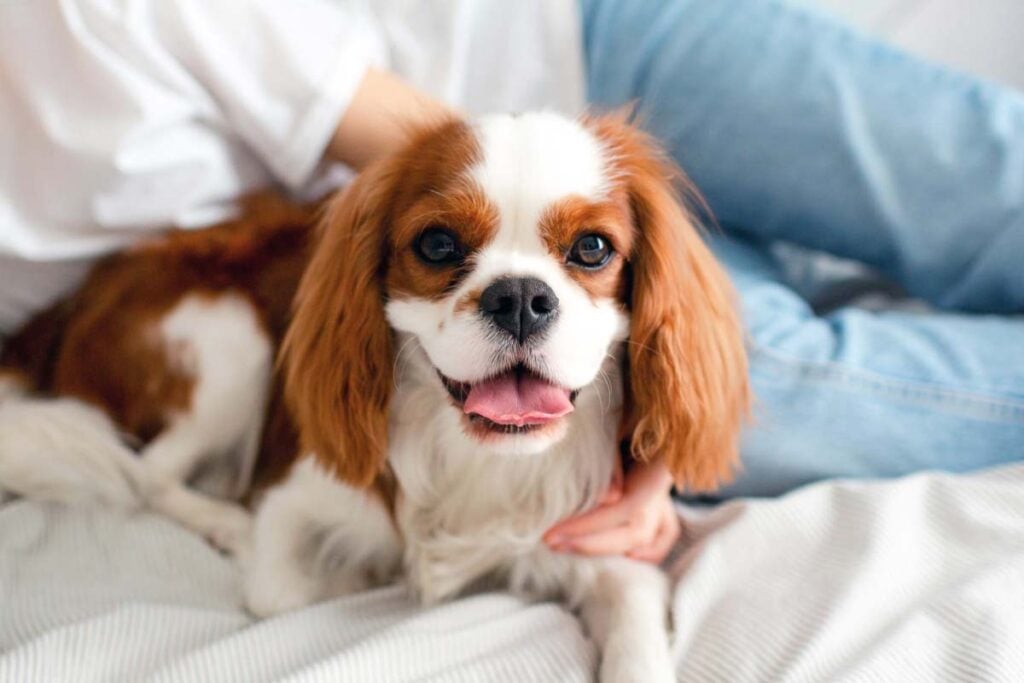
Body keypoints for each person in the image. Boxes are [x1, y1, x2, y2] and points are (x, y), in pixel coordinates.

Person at [1, 0, 1021, 564]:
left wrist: (649, 337)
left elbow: (427, 157)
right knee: (777, 379)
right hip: (495, 301)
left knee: (986, 174)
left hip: (581, 51)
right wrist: (657, 430)